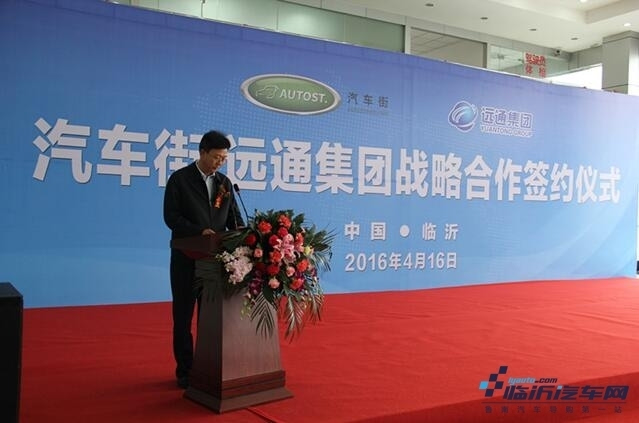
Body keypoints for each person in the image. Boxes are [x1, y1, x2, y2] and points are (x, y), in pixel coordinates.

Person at [163, 129, 244, 389]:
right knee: (183, 316)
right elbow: (171, 217)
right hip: (186, 258)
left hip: (214, 261)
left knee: (210, 318)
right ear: (202, 152)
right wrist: (199, 231)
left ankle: (207, 368)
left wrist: (243, 234)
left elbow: (233, 218)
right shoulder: (180, 179)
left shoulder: (224, 183)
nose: (220, 162)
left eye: (224, 158)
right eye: (217, 157)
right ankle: (185, 371)